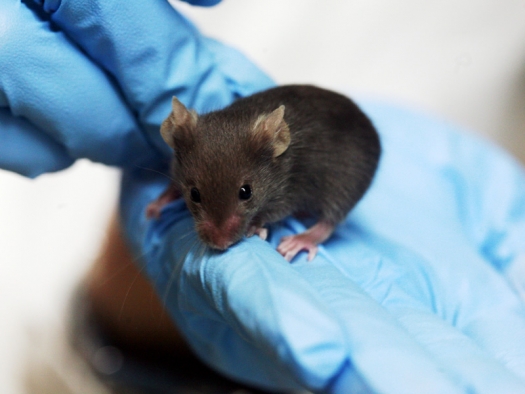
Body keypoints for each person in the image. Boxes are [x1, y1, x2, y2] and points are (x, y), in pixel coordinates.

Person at [3, 1, 525, 393]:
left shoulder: (277, 161)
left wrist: (305, 226)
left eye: (245, 198)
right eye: (195, 199)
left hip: (369, 136)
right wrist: (136, 297)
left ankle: (320, 227)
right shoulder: (194, 149)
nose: (217, 231)